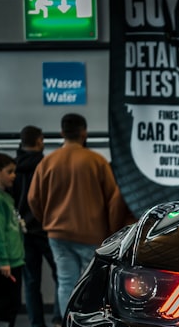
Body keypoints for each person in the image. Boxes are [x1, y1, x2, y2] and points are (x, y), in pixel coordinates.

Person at [27, 113, 134, 315]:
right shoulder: (96, 161)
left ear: (62, 132)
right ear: (84, 133)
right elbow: (113, 201)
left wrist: (48, 220)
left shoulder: (47, 162)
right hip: (91, 234)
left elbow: (33, 199)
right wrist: (111, 231)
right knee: (91, 283)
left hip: (57, 234)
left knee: (66, 281)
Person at [10, 125, 60, 327]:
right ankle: (59, 320)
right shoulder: (46, 165)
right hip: (47, 230)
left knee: (31, 282)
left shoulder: (11, 168)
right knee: (62, 277)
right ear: (40, 140)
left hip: (23, 232)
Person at [0, 154, 31, 327]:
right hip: (7, 264)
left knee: (9, 304)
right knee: (7, 305)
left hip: (13, 260)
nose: (14, 176)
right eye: (9, 171)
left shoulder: (4, 197)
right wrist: (3, 261)